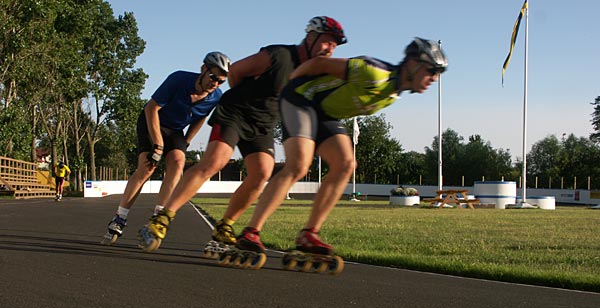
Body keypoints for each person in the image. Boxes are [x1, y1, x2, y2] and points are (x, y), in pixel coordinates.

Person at [138, 16, 347, 252]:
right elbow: (236, 71)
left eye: (334, 45)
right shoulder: (279, 55)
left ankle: (225, 226)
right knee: (215, 162)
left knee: (262, 172)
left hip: (263, 124)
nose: (330, 49)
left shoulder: (314, 73)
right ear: (311, 37)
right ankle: (163, 218)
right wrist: (246, 98)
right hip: (235, 113)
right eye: (327, 42)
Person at [235, 37, 448, 255]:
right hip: (301, 98)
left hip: (324, 113)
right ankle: (251, 231)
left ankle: (309, 233)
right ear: (413, 63)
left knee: (346, 164)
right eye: (431, 70)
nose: (434, 78)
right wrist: (291, 83)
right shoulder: (374, 72)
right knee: (299, 166)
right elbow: (319, 64)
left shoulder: (391, 94)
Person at [104, 52, 231, 243]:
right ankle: (120, 217)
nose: (215, 84)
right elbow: (151, 108)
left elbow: (201, 118)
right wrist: (158, 145)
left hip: (175, 130)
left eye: (221, 81)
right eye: (213, 77)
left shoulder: (215, 97)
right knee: (147, 168)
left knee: (178, 162)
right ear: (203, 69)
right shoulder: (179, 79)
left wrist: (187, 141)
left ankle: (158, 218)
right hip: (152, 121)